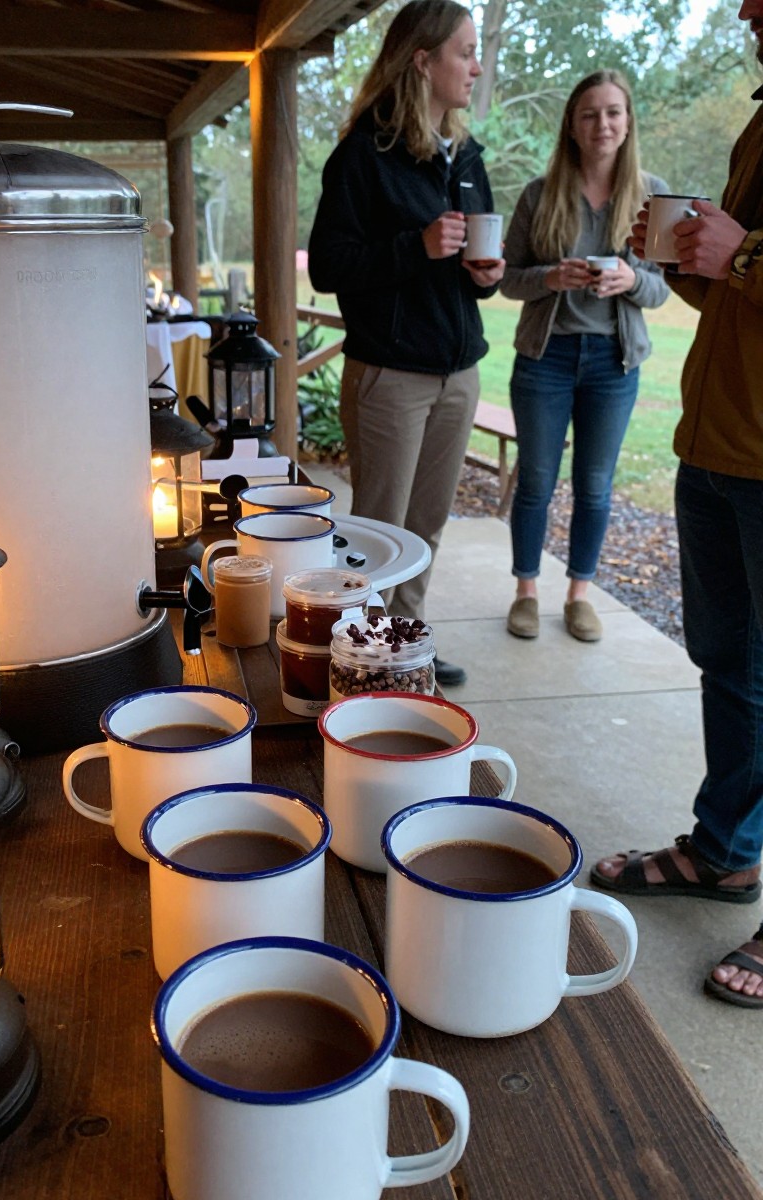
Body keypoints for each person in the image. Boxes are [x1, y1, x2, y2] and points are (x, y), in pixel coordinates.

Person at [592, 0, 763, 1008]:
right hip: (717, 442)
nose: (744, 6)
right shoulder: (758, 120)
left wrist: (739, 255)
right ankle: (727, 850)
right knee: (731, 664)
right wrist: (687, 261)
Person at [307, 0, 504, 687]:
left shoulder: (467, 157)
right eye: (465, 51)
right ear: (422, 60)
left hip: (459, 374)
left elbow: (471, 269)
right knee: (378, 531)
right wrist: (414, 247)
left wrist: (486, 276)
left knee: (426, 527)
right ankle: (361, 653)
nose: (475, 65)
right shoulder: (365, 153)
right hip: (391, 375)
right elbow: (330, 266)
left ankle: (405, 644)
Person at [499, 70, 669, 643]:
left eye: (614, 112)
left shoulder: (651, 194)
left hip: (613, 365)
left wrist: (629, 279)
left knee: (595, 486)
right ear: (572, 125)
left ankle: (579, 595)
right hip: (546, 360)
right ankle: (526, 589)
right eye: (590, 114)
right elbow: (509, 282)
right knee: (536, 484)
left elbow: (662, 288)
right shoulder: (538, 193)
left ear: (628, 122)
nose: (603, 124)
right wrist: (551, 276)